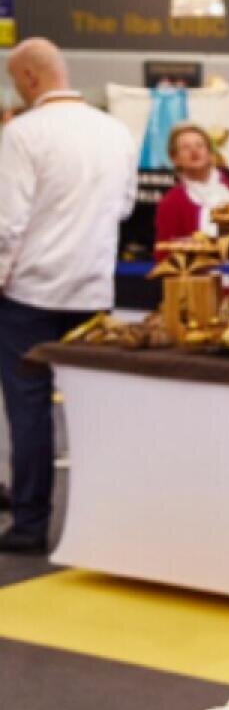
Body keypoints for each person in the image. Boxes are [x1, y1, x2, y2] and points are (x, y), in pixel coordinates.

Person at [0, 39, 138, 553]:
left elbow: (7, 223)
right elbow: (123, 209)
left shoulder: (23, 133)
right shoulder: (116, 132)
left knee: (29, 409)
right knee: (93, 410)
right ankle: (102, 524)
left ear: (31, 79)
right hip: (93, 288)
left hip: (30, 293)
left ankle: (32, 525)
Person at [153, 123, 229, 251]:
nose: (194, 151)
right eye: (185, 147)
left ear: (210, 152)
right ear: (175, 159)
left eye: (200, 145)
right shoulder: (171, 202)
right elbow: (165, 254)